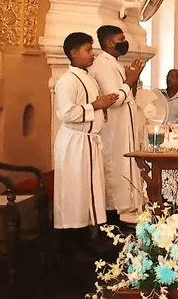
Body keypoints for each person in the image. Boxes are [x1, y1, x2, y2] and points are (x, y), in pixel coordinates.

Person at [53, 32, 119, 262]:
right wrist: (96, 105)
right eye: (88, 50)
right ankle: (71, 245)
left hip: (89, 142)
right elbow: (66, 113)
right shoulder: (66, 81)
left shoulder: (87, 77)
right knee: (74, 194)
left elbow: (91, 105)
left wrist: (103, 107)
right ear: (73, 53)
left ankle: (89, 238)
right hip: (74, 144)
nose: (92, 54)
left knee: (89, 192)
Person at [88, 25, 146, 225]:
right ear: (110, 42)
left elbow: (129, 96)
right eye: (121, 39)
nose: (124, 42)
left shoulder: (114, 63)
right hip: (113, 128)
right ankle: (116, 217)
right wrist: (129, 81)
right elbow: (116, 99)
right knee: (116, 169)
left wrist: (133, 80)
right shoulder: (103, 64)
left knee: (126, 167)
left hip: (124, 126)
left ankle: (128, 211)